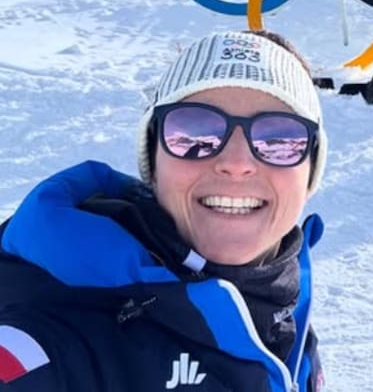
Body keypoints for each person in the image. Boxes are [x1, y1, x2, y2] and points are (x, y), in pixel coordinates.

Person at [0, 30, 328, 391]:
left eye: (279, 139)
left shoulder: (281, 303)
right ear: (152, 164)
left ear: (310, 170)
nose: (236, 163)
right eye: (194, 133)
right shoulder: (49, 338)